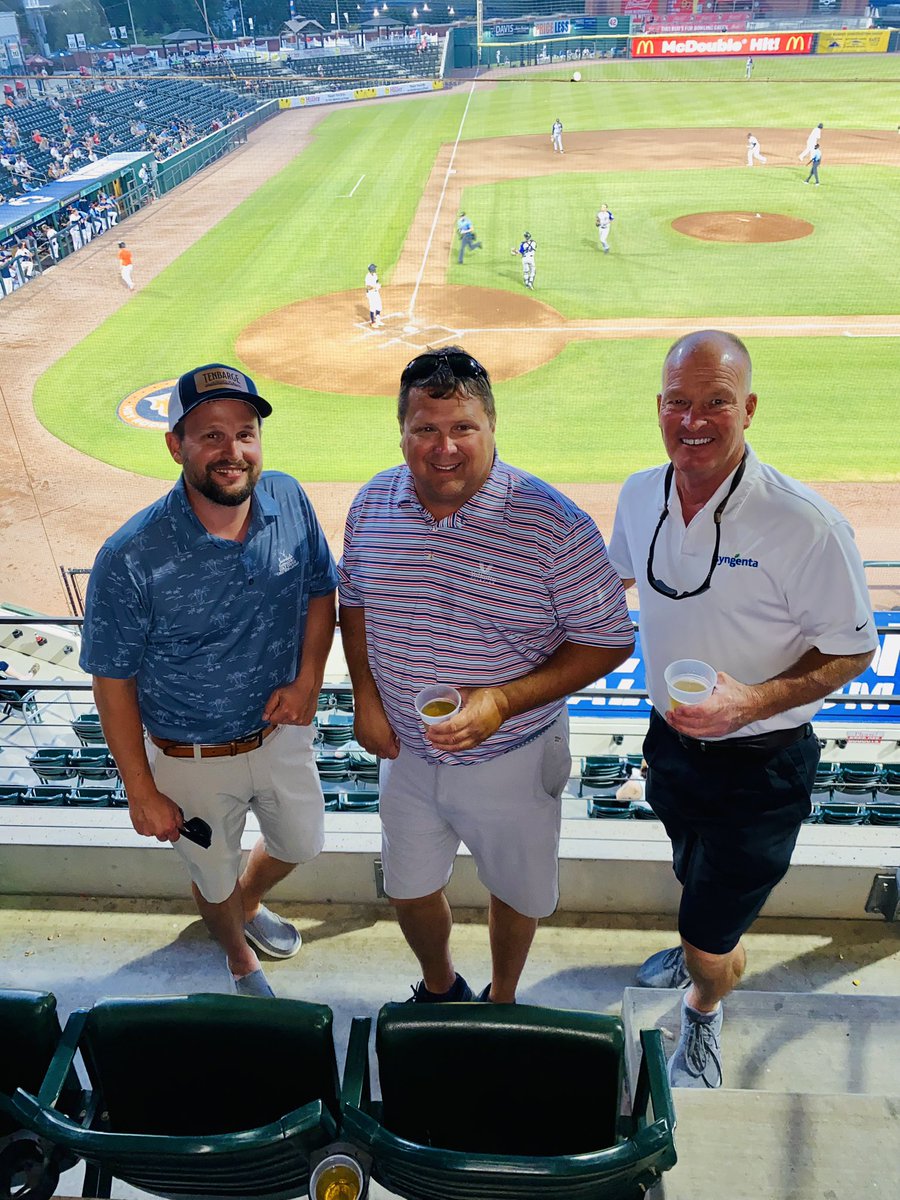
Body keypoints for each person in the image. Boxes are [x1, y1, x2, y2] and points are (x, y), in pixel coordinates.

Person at [608, 330, 877, 1089]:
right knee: (692, 875)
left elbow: (853, 649)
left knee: (707, 934)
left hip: (762, 769)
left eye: (716, 402)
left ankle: (703, 1000)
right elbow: (612, 584)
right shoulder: (638, 494)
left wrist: (751, 701)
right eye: (679, 403)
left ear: (748, 408)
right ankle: (703, 940)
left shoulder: (804, 523)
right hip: (670, 748)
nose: (694, 420)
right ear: (658, 408)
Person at [339, 346, 634, 1005]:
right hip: (407, 752)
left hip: (515, 754)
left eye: (462, 428)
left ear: (491, 427)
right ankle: (441, 990)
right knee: (409, 887)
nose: (444, 448)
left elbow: (610, 640)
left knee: (514, 888)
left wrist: (504, 699)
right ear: (404, 432)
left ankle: (501, 1000)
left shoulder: (554, 524)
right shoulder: (371, 504)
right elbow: (352, 599)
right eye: (425, 429)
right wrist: (365, 696)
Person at [80, 363, 339, 998]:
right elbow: (112, 680)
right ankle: (237, 960)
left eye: (245, 433)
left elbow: (319, 590)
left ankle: (245, 906)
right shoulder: (130, 555)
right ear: (177, 445)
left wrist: (309, 679)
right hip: (187, 754)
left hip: (280, 735)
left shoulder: (289, 499)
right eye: (211, 436)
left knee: (301, 843)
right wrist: (141, 790)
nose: (233, 452)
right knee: (211, 873)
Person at [365, 262, 383, 327]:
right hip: (370, 293)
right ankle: (373, 322)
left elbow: (377, 281)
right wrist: (374, 287)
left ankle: (378, 320)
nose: (375, 269)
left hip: (376, 292)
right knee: (373, 307)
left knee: (379, 305)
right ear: (371, 269)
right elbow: (367, 287)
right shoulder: (368, 277)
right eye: (374, 268)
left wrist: (378, 285)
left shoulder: (375, 274)